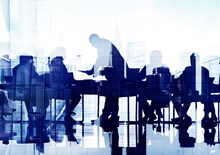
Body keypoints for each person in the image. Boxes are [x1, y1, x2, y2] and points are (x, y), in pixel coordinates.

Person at [82, 34, 129, 132]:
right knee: (113, 95)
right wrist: (96, 71)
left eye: (92, 43)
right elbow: (105, 60)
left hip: (116, 73)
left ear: (95, 41)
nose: (92, 46)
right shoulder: (105, 43)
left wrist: (93, 71)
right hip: (118, 72)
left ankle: (106, 116)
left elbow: (102, 59)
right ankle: (110, 116)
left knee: (112, 94)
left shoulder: (102, 44)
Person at [171, 53, 217, 127]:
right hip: (198, 94)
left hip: (193, 94)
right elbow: (180, 78)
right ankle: (183, 116)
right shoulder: (203, 70)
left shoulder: (190, 70)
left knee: (177, 98)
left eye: (193, 60)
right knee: (177, 98)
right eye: (191, 60)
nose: (192, 62)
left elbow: (180, 79)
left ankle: (182, 116)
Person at [138, 50, 171, 123]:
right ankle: (152, 113)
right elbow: (169, 80)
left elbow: (139, 78)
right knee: (151, 98)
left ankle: (149, 114)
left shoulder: (148, 67)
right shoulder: (165, 68)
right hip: (159, 93)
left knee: (142, 98)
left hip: (154, 93)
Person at [45, 56, 81, 123]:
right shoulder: (56, 69)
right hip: (60, 91)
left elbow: (67, 79)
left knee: (75, 94)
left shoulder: (55, 69)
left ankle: (68, 112)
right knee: (76, 95)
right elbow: (67, 79)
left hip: (57, 92)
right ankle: (68, 113)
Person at [12, 55, 42, 121]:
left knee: (38, 94)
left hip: (31, 89)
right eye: (31, 60)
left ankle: (35, 114)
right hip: (22, 90)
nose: (33, 62)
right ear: (27, 61)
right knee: (27, 95)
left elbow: (37, 77)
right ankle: (32, 114)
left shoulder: (31, 68)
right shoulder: (17, 69)